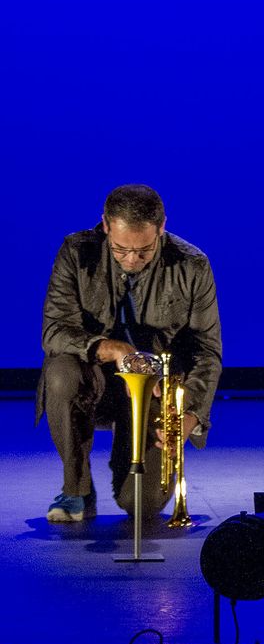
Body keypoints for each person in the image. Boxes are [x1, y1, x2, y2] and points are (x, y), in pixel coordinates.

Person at [38, 184, 223, 522]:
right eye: (120, 249)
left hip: (154, 388)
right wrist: (115, 350)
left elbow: (207, 351)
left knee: (141, 505)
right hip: (93, 380)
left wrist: (190, 416)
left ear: (162, 226)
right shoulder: (76, 252)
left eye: (145, 250)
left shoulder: (193, 265)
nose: (132, 260)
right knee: (60, 372)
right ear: (105, 226)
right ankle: (76, 487)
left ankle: (132, 472)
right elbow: (54, 331)